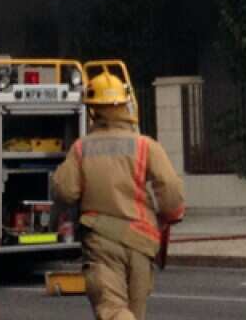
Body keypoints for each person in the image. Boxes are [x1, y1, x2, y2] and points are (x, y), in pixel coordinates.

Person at [53, 71, 185, 320]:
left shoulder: (81, 148)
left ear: (93, 109)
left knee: (112, 310)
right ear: (125, 104)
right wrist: (170, 215)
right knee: (134, 313)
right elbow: (170, 188)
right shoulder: (146, 145)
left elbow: (66, 190)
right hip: (141, 242)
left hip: (101, 242)